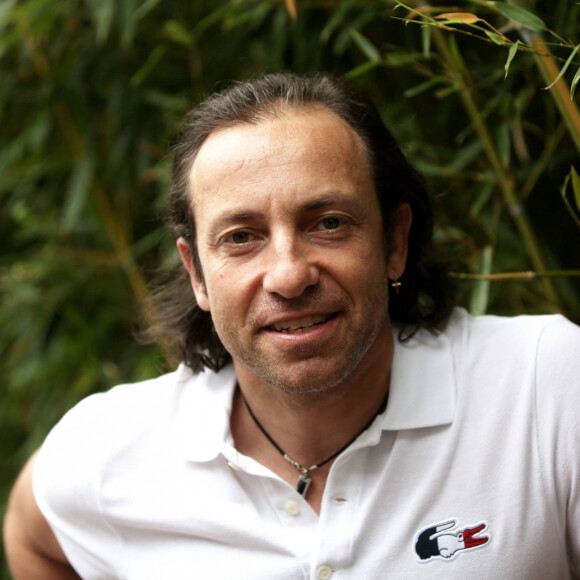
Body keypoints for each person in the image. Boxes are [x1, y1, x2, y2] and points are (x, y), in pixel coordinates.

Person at [3, 72, 580, 580]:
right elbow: (33, 536)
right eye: (241, 237)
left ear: (395, 242)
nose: (288, 275)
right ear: (197, 274)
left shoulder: (545, 388)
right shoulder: (111, 454)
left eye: (328, 223)